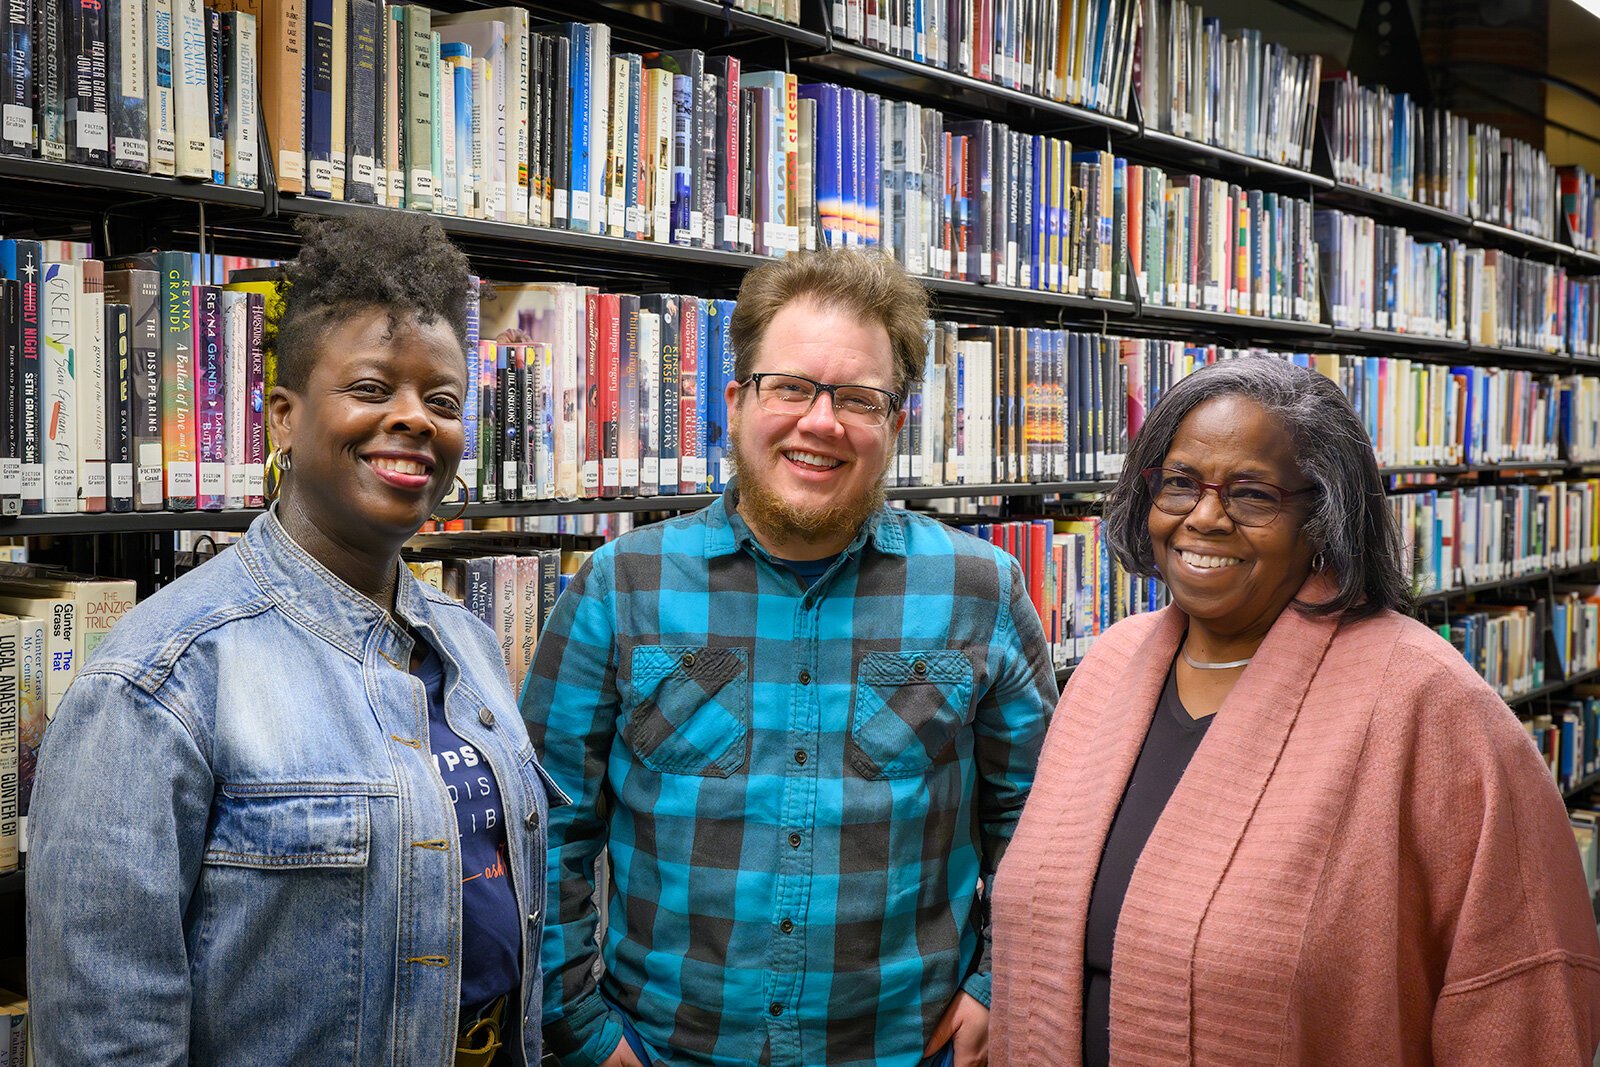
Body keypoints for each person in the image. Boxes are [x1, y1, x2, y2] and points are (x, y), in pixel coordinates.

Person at [27, 213, 560, 1067]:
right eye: (372, 387)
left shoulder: (468, 643)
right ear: (283, 413)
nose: (415, 419)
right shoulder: (160, 681)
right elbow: (106, 1040)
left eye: (444, 400)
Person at [524, 250, 1057, 1067]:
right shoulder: (617, 585)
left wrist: (996, 984)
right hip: (664, 1051)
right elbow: (546, 826)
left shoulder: (978, 589)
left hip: (907, 1050)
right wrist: (582, 1031)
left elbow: (1037, 822)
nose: (822, 422)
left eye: (858, 398)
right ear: (737, 403)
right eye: (792, 388)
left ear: (897, 422)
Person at [989, 356, 1600, 1066]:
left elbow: (1525, 1000)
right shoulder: (1107, 668)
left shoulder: (1429, 705)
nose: (1205, 516)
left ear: (1324, 516)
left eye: (1252, 495)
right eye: (1181, 482)